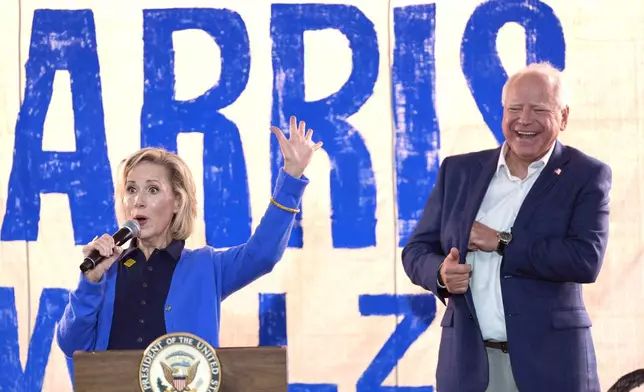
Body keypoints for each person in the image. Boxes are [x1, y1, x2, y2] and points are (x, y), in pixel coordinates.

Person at [401, 62, 611, 392]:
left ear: (564, 117)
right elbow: (416, 251)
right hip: (470, 367)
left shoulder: (586, 175)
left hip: (553, 367)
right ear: (503, 112)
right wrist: (441, 273)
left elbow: (585, 259)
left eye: (539, 109)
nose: (524, 120)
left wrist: (502, 242)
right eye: (515, 108)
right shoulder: (458, 171)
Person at [56, 115, 323, 357]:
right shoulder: (107, 270)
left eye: (152, 190)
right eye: (131, 189)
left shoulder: (207, 267)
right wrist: (90, 281)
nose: (138, 200)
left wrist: (291, 177)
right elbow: (71, 345)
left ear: (177, 202)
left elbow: (262, 254)